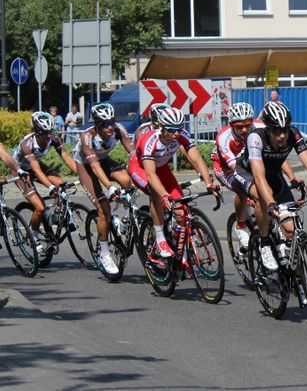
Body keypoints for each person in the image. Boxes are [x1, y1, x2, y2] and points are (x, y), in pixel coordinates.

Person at [232, 101, 307, 271]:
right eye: (276, 131)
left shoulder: (293, 134)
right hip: (247, 173)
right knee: (262, 198)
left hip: (273, 174)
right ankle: (264, 243)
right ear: (268, 129)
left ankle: (287, 262)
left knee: (290, 229)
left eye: (285, 130)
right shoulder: (255, 138)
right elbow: (259, 177)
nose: (282, 136)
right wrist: (271, 203)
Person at [129, 106, 219, 263]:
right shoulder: (149, 140)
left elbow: (196, 158)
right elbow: (150, 174)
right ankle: (160, 240)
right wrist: (164, 195)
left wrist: (209, 183)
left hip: (162, 168)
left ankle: (178, 242)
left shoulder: (181, 135)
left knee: (180, 209)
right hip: (140, 169)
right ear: (162, 128)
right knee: (157, 194)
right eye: (171, 130)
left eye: (179, 129)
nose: (176, 134)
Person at [213, 102, 299, 250]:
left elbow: (276, 155)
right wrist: (252, 191)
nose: (244, 129)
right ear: (231, 125)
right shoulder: (224, 137)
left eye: (247, 125)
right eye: (239, 127)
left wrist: (292, 177)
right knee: (242, 190)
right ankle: (240, 226)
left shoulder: (260, 127)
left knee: (266, 189)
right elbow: (236, 168)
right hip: (227, 169)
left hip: (252, 164)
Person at [72, 103, 134, 274]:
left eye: (112, 122)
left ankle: (124, 219)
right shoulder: (88, 136)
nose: (110, 127)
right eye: (105, 124)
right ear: (97, 125)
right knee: (104, 208)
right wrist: (110, 187)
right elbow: (94, 166)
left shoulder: (118, 129)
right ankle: (104, 253)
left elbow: (133, 152)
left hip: (103, 160)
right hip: (86, 166)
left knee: (126, 181)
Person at [12, 112, 78, 254]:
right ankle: (33, 236)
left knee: (61, 184)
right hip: (20, 170)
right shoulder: (27, 144)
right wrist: (50, 187)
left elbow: (66, 157)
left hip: (35, 165)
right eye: (44, 132)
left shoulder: (52, 137)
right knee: (40, 207)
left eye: (50, 131)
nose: (49, 135)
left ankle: (55, 215)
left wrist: (82, 174)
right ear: (36, 132)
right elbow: (36, 170)